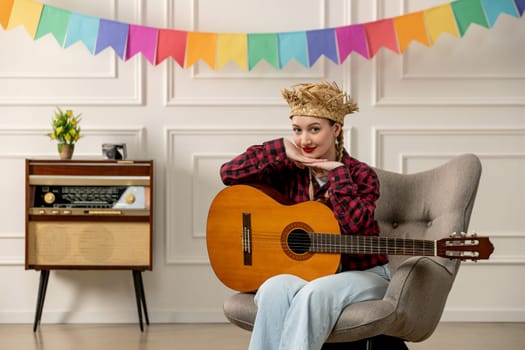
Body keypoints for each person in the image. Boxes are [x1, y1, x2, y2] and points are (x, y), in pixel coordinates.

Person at [220, 81, 391, 350]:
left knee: (313, 294)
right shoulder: (290, 171)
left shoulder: (361, 175)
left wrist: (338, 173)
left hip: (365, 273)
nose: (305, 140)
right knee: (274, 289)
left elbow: (355, 227)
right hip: (312, 273)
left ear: (335, 129)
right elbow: (228, 174)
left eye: (314, 129)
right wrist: (280, 149)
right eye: (297, 130)